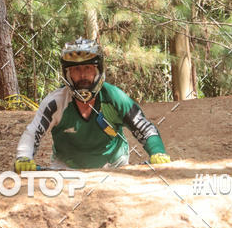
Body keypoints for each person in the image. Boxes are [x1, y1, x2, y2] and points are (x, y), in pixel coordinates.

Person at [15, 37, 170, 171]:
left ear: (98, 70)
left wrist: (158, 151)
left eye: (88, 68)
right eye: (76, 69)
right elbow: (33, 132)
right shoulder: (55, 102)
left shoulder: (115, 98)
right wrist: (23, 157)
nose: (82, 75)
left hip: (114, 167)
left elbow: (144, 128)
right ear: (67, 74)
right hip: (65, 169)